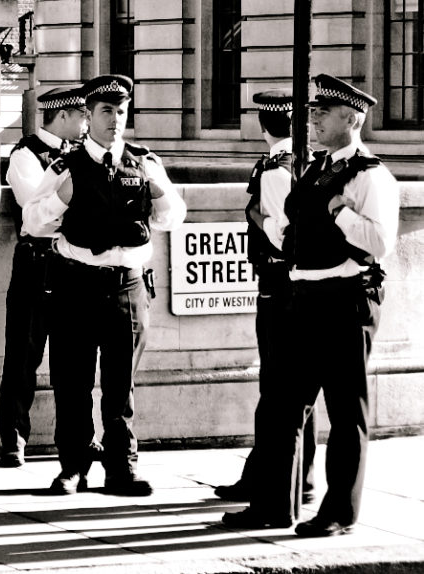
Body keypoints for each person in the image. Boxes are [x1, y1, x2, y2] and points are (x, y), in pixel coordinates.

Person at [225, 75, 399, 537]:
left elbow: (380, 242)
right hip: (302, 298)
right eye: (313, 111)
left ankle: (339, 512)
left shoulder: (370, 174)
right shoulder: (314, 170)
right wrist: (268, 227)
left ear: (351, 118)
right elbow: (293, 234)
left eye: (323, 111)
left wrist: (341, 211)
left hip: (346, 300)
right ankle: (273, 505)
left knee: (345, 413)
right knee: (283, 406)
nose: (313, 118)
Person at [22, 74, 186, 497]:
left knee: (120, 385)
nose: (115, 120)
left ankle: (121, 466)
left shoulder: (144, 162)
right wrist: (64, 197)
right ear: (89, 116)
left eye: (121, 111)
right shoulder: (64, 166)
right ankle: (72, 466)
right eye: (106, 111)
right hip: (75, 284)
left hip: (125, 287)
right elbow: (33, 222)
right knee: (71, 381)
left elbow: (172, 218)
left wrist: (156, 191)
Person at [215, 89, 317, 508]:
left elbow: (281, 237)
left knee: (277, 390)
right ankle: (290, 475)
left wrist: (256, 215)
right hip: (292, 288)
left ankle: (275, 478)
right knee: (291, 393)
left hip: (278, 287)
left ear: (262, 125)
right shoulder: (299, 161)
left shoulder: (277, 170)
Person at [0, 85, 88, 469]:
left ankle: (80, 439)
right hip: (38, 262)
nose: (87, 123)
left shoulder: (84, 155)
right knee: (23, 354)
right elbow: (37, 209)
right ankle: (14, 437)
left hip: (74, 263)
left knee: (75, 360)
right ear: (62, 116)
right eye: (82, 115)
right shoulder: (25, 154)